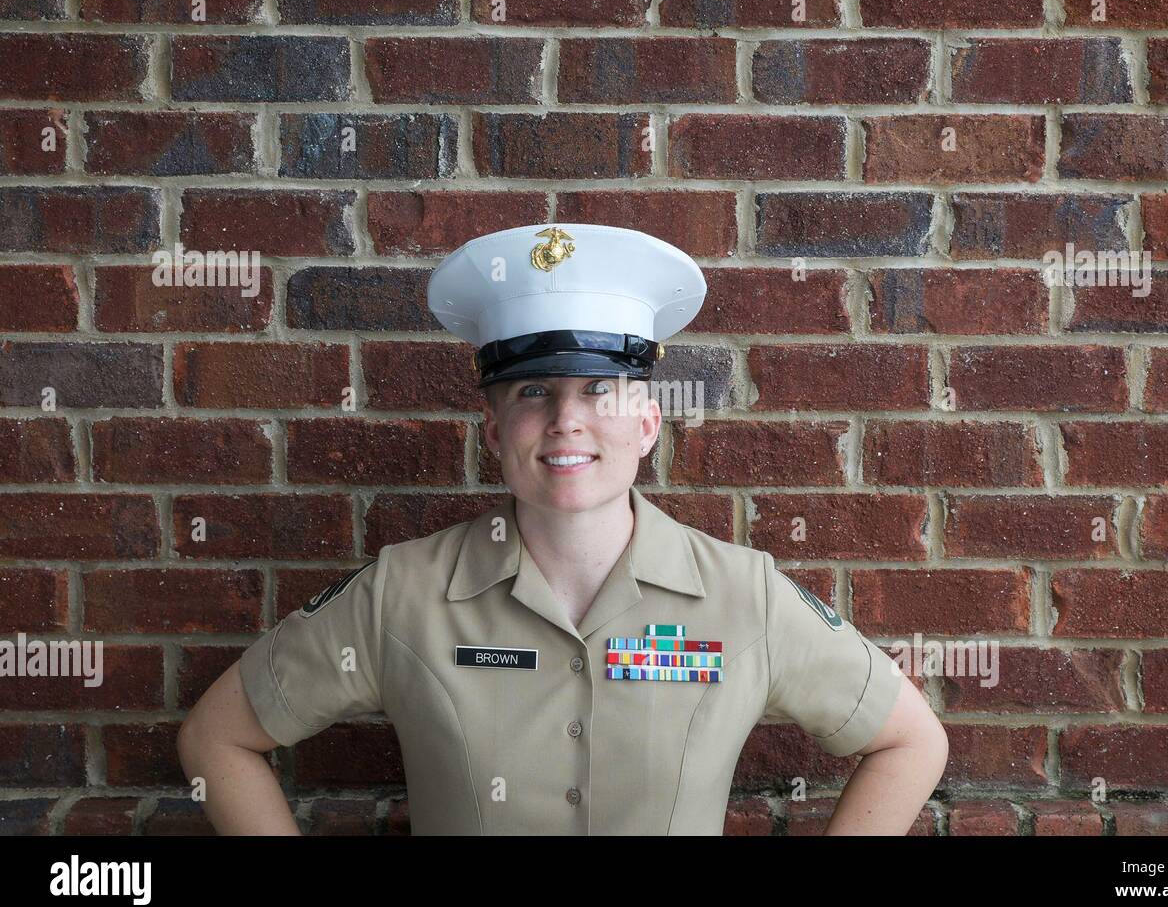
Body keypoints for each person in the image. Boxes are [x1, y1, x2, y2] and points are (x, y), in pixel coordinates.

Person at [178, 224, 948, 835]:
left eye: (600, 392)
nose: (567, 421)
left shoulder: (743, 596)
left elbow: (912, 742)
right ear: (493, 427)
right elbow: (217, 741)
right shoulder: (401, 593)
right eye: (534, 391)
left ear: (647, 423)